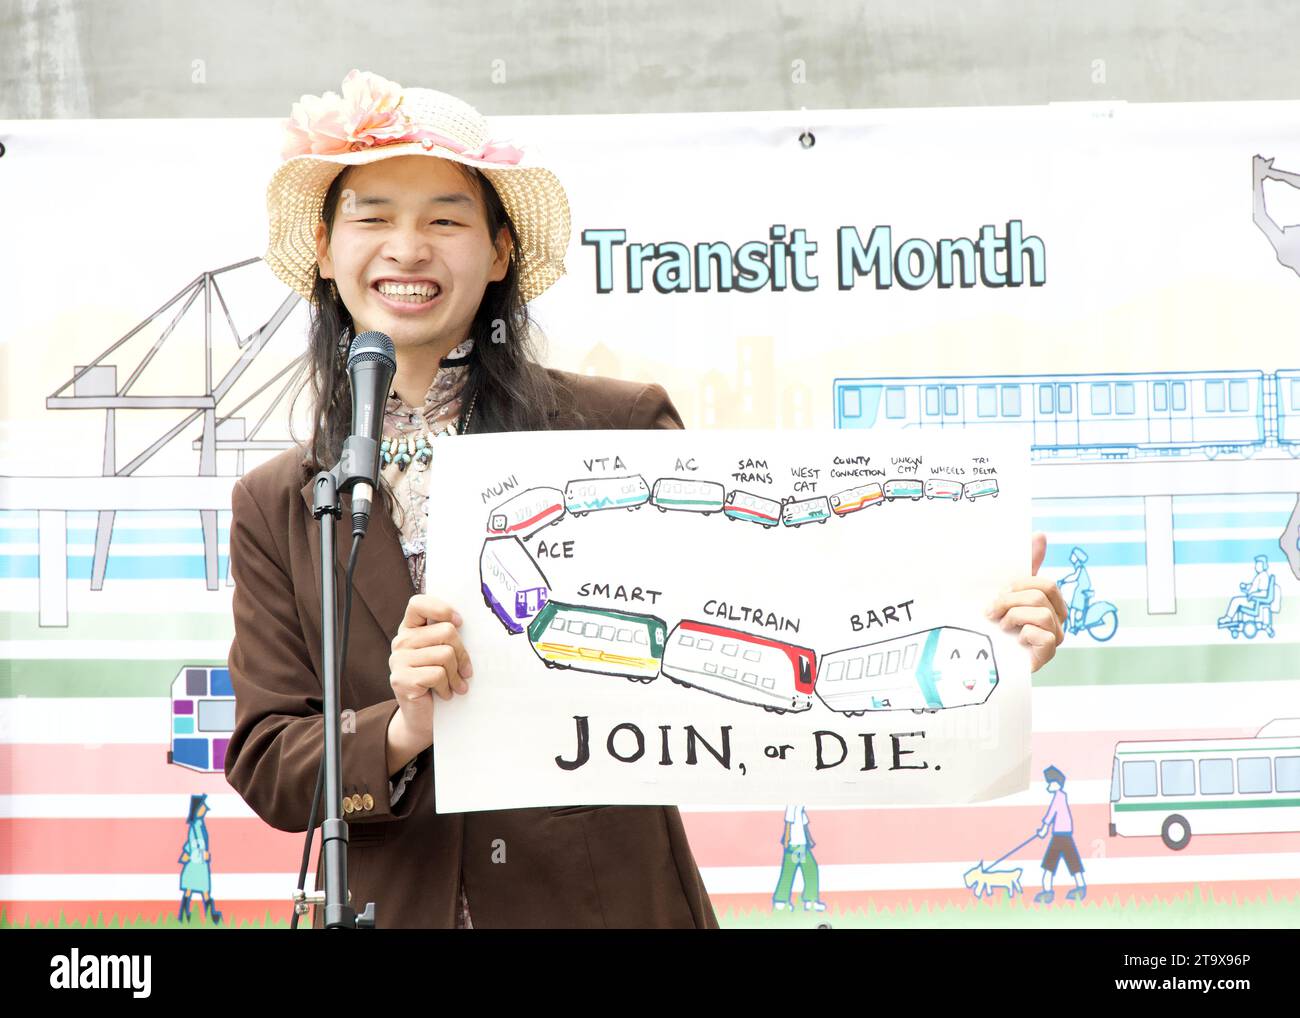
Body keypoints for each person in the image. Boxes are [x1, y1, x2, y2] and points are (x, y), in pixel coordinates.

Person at [223, 70, 717, 928]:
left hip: (603, 904)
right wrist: (401, 727)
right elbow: (270, 760)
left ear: (498, 253)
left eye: (445, 220)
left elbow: (742, 617)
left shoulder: (615, 427)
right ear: (326, 248)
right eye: (372, 217)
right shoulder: (276, 501)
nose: (407, 249)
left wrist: (983, 613)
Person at [1033, 765, 1086, 904]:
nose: (1048, 786)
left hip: (1060, 835)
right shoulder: (1061, 797)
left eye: (1050, 783)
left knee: (1050, 865)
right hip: (1064, 834)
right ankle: (1080, 888)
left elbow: (1051, 813)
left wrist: (1044, 829)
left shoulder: (1059, 798)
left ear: (1057, 784)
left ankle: (1047, 892)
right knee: (1073, 863)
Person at [177, 793, 221, 924]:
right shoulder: (195, 826)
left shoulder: (200, 825)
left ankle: (210, 915)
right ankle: (185, 915)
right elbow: (194, 844)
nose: (205, 808)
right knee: (190, 890)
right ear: (197, 809)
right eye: (203, 806)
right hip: (195, 864)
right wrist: (202, 855)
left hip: (200, 864)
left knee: (204, 890)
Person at [773, 804, 824, 912]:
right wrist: (787, 841)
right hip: (795, 845)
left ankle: (810, 901)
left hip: (802, 845)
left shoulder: (801, 806)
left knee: (810, 869)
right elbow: (788, 822)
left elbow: (804, 825)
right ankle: (781, 902)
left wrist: (809, 840)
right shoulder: (793, 804)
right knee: (789, 871)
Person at [1218, 555, 1275, 625]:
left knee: (1235, 601)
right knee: (1236, 600)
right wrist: (1246, 586)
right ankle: (1229, 618)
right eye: (1256, 564)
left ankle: (1228, 618)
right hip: (1252, 599)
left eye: (1258, 565)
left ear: (1264, 565)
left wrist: (1252, 595)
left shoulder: (1263, 576)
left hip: (1255, 601)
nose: (1256, 566)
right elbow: (1254, 586)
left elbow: (1263, 593)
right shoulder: (1260, 575)